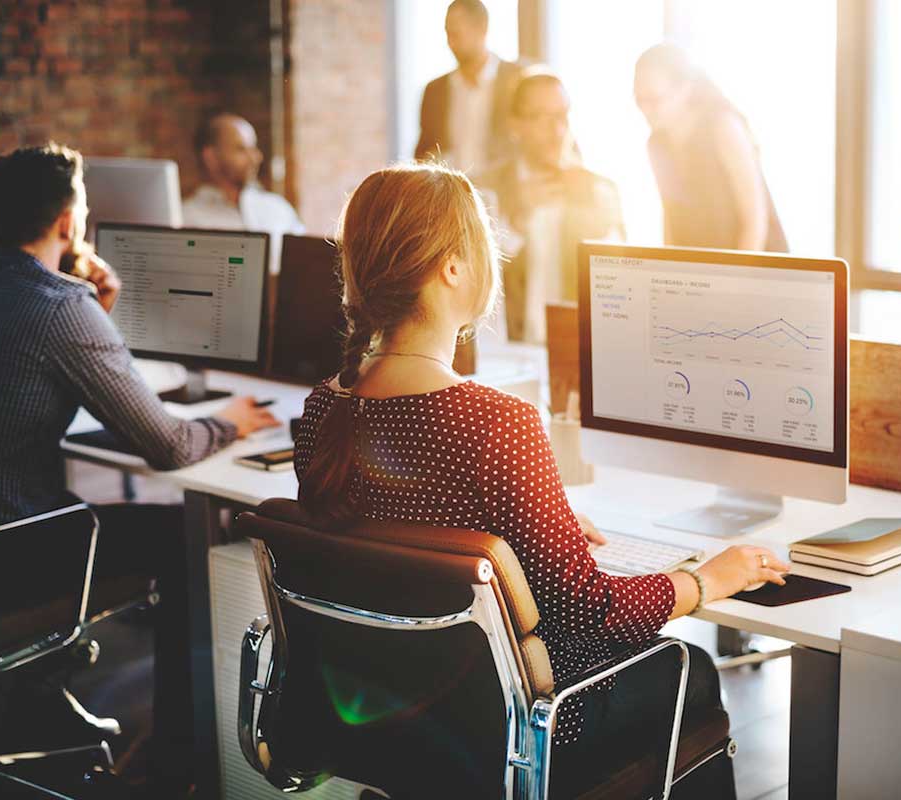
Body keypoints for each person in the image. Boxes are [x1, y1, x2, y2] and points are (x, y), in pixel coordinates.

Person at [292, 162, 789, 796]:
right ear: (452, 267)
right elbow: (588, 613)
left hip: (391, 716)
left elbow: (397, 528)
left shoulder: (323, 410)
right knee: (687, 665)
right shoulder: (496, 422)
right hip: (517, 728)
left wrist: (531, 522)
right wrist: (706, 580)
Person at [0, 143, 279, 796]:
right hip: (15, 556)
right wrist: (235, 422)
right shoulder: (61, 307)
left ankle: (36, 699)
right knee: (186, 539)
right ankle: (178, 760)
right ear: (69, 222)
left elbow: (12, 375)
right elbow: (169, 446)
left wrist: (92, 313)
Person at [476, 69, 624, 343]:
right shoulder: (483, 190)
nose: (557, 130)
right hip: (507, 354)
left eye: (562, 116)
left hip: (574, 350)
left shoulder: (599, 189)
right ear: (515, 125)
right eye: (541, 118)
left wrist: (593, 213)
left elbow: (621, 287)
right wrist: (515, 221)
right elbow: (471, 280)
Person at [634, 43, 788, 253]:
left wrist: (734, 279)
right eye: (639, 99)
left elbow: (754, 221)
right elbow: (671, 221)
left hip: (757, 265)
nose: (645, 109)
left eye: (654, 99)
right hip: (704, 272)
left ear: (685, 89)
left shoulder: (723, 127)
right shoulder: (656, 145)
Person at [182, 111, 306, 274]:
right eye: (241, 149)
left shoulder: (278, 208)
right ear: (211, 157)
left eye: (253, 148)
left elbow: (307, 264)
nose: (256, 157)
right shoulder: (186, 218)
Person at [414, 0, 523, 172]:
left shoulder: (517, 80)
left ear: (482, 28)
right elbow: (423, 153)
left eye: (456, 34)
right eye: (448, 33)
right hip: (451, 195)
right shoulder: (434, 91)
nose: (450, 42)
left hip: (505, 195)